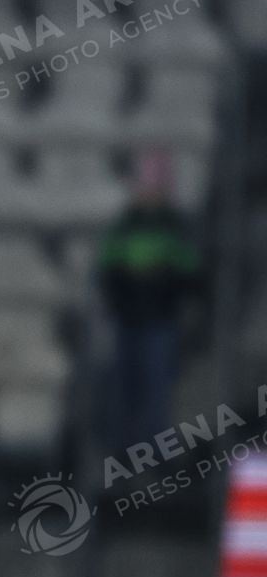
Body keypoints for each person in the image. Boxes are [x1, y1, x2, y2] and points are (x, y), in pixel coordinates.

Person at [98, 147, 200, 451]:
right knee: (126, 389)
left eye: (155, 186)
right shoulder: (125, 225)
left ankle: (153, 452)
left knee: (157, 391)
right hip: (128, 319)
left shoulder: (174, 225)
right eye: (144, 186)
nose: (149, 193)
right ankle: (122, 449)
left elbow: (189, 270)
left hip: (160, 319)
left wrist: (167, 285)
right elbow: (109, 268)